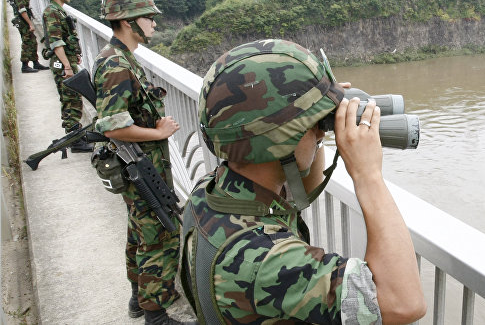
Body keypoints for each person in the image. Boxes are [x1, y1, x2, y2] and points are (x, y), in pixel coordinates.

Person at [181, 39, 427, 323]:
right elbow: (403, 302)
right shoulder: (265, 261)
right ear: (278, 140)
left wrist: (320, 114)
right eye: (313, 127)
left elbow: (298, 192)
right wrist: (368, 175)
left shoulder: (209, 192)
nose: (321, 133)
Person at [94, 0, 194, 325]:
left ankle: (140, 299)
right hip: (139, 164)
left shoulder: (121, 58)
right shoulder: (116, 65)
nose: (153, 23)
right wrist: (159, 132)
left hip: (138, 163)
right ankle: (155, 314)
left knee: (140, 233)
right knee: (160, 235)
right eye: (148, 18)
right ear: (127, 22)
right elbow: (112, 127)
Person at [42, 0, 92, 151]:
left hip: (66, 60)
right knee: (71, 99)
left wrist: (73, 55)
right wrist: (67, 66)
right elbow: (56, 42)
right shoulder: (52, 12)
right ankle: (75, 141)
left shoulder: (58, 10)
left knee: (72, 98)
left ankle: (75, 136)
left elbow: (65, 38)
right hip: (62, 64)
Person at [9, 0, 49, 73]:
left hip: (21, 21)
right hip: (23, 22)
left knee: (32, 41)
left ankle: (36, 63)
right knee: (27, 42)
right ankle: (25, 66)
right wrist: (30, 24)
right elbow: (22, 10)